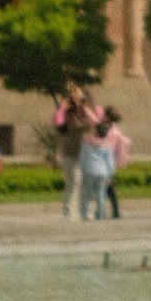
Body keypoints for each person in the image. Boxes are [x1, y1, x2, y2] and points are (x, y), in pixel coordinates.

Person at [55, 84, 91, 220]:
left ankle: (74, 210)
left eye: (79, 97)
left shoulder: (85, 112)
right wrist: (63, 107)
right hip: (70, 151)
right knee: (73, 181)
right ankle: (69, 210)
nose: (77, 100)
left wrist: (85, 107)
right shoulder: (67, 114)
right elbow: (57, 122)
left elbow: (95, 119)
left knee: (79, 182)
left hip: (85, 151)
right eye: (74, 97)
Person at [78, 117, 119, 222]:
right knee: (101, 195)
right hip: (103, 172)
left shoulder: (86, 144)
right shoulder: (108, 146)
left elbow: (82, 159)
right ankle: (100, 214)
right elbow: (110, 163)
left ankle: (84, 214)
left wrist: (82, 171)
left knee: (87, 194)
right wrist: (110, 175)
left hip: (89, 171)